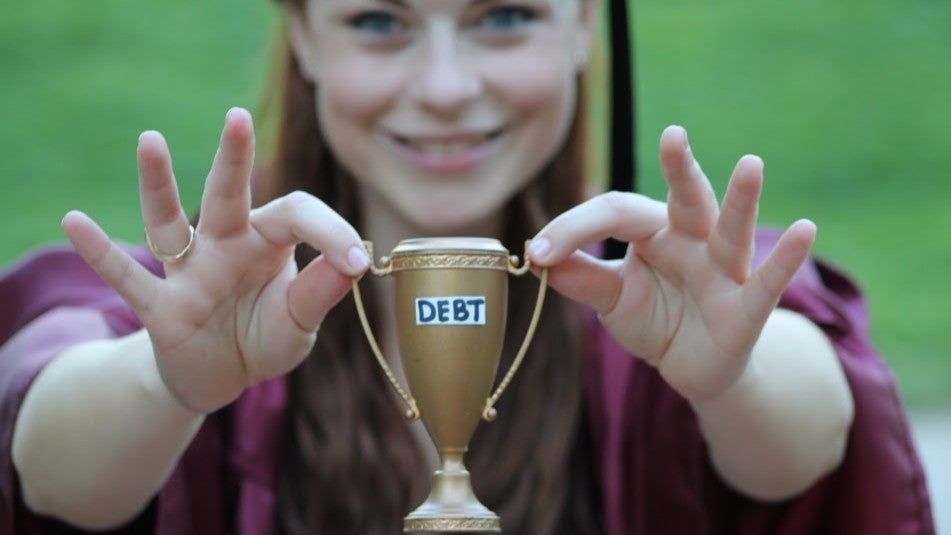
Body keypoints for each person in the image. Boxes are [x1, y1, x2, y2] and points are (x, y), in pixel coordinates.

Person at [0, 0, 935, 533]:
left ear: (580, 27)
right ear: (303, 34)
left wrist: (734, 373)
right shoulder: (202, 301)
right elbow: (50, 466)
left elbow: (808, 435)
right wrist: (166, 382)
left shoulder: (665, 294)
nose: (445, 87)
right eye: (377, 21)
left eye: (503, 17)